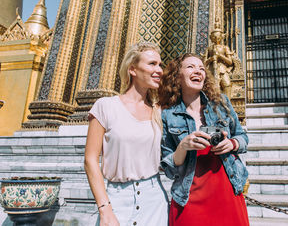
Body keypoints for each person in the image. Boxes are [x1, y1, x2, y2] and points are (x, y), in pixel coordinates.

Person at [159, 53, 249, 226]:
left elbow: (242, 137)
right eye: (191, 67)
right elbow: (168, 166)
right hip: (189, 196)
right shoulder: (168, 114)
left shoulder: (221, 103)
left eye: (201, 68)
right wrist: (183, 147)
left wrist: (231, 143)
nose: (198, 71)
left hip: (227, 190)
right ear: (177, 75)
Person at [84, 43, 168, 226]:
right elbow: (90, 160)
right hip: (116, 199)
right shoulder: (105, 106)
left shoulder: (159, 111)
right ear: (133, 69)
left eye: (160, 65)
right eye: (152, 64)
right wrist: (105, 209)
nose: (159, 70)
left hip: (154, 200)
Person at [203, 24, 234, 98]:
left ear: (221, 37)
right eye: (214, 37)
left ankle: (227, 103)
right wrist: (211, 59)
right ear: (211, 38)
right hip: (212, 69)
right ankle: (212, 104)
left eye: (218, 37)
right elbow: (204, 63)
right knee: (211, 87)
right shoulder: (209, 49)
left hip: (222, 69)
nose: (216, 39)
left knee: (227, 84)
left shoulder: (225, 48)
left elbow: (230, 62)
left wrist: (220, 56)